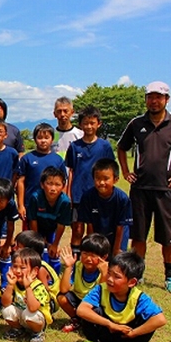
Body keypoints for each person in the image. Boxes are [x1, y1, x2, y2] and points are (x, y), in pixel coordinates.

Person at [117, 81, 171, 295]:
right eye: (150, 97)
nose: (154, 101)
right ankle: (138, 273)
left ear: (167, 99)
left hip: (167, 190)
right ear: (146, 99)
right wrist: (127, 172)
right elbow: (121, 147)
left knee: (169, 237)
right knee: (138, 235)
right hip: (140, 189)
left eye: (159, 97)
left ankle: (170, 278)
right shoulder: (136, 124)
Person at [76, 251, 166, 342]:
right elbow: (81, 310)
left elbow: (160, 320)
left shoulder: (139, 297)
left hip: (127, 335)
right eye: (109, 274)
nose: (110, 279)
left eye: (116, 277)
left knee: (149, 318)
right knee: (92, 311)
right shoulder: (101, 289)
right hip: (104, 332)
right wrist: (109, 324)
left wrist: (134, 333)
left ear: (132, 282)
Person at [65, 105, 114, 259]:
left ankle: (93, 261)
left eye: (92, 123)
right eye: (85, 123)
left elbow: (110, 171)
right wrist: (69, 194)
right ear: (80, 125)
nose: (89, 126)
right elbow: (71, 172)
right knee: (77, 230)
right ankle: (76, 262)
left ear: (98, 124)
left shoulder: (104, 146)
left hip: (98, 195)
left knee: (94, 232)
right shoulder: (74, 147)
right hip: (78, 195)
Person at [78, 158, 132, 258]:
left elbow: (121, 226)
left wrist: (116, 250)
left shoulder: (122, 199)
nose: (101, 182)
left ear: (115, 179)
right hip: (98, 233)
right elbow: (89, 225)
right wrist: (92, 246)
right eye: (98, 178)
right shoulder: (87, 197)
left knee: (116, 263)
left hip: (118, 235)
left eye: (106, 179)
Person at [58, 233, 110, 333]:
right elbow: (64, 289)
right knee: (62, 298)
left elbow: (102, 296)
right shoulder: (78, 266)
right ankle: (77, 320)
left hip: (94, 304)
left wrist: (104, 275)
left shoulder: (107, 271)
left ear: (103, 257)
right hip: (79, 300)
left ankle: (89, 321)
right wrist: (68, 267)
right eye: (85, 254)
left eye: (93, 255)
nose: (88, 258)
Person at [15, 122, 66, 224]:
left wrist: (62, 202)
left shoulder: (58, 159)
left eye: (46, 137)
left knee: (50, 236)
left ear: (52, 140)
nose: (43, 141)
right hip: (31, 204)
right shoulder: (27, 158)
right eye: (39, 138)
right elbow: (20, 182)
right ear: (34, 139)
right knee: (30, 237)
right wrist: (21, 205)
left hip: (52, 205)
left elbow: (63, 182)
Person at [1, 248, 53, 342]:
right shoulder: (14, 283)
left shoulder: (38, 286)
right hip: (22, 316)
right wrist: (10, 285)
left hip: (37, 319)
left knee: (29, 313)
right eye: (15, 267)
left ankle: (38, 333)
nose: (18, 271)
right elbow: (5, 303)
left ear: (35, 271)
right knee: (6, 310)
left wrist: (28, 287)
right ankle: (18, 329)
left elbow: (33, 308)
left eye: (23, 267)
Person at [27, 166, 72, 274]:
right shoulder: (35, 197)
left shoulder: (65, 202)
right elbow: (33, 221)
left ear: (63, 186)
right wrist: (38, 240)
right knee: (35, 250)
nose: (53, 188)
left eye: (57, 184)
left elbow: (61, 225)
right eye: (49, 183)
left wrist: (55, 244)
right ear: (42, 184)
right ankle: (34, 272)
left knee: (53, 251)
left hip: (52, 228)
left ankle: (53, 274)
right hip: (37, 227)